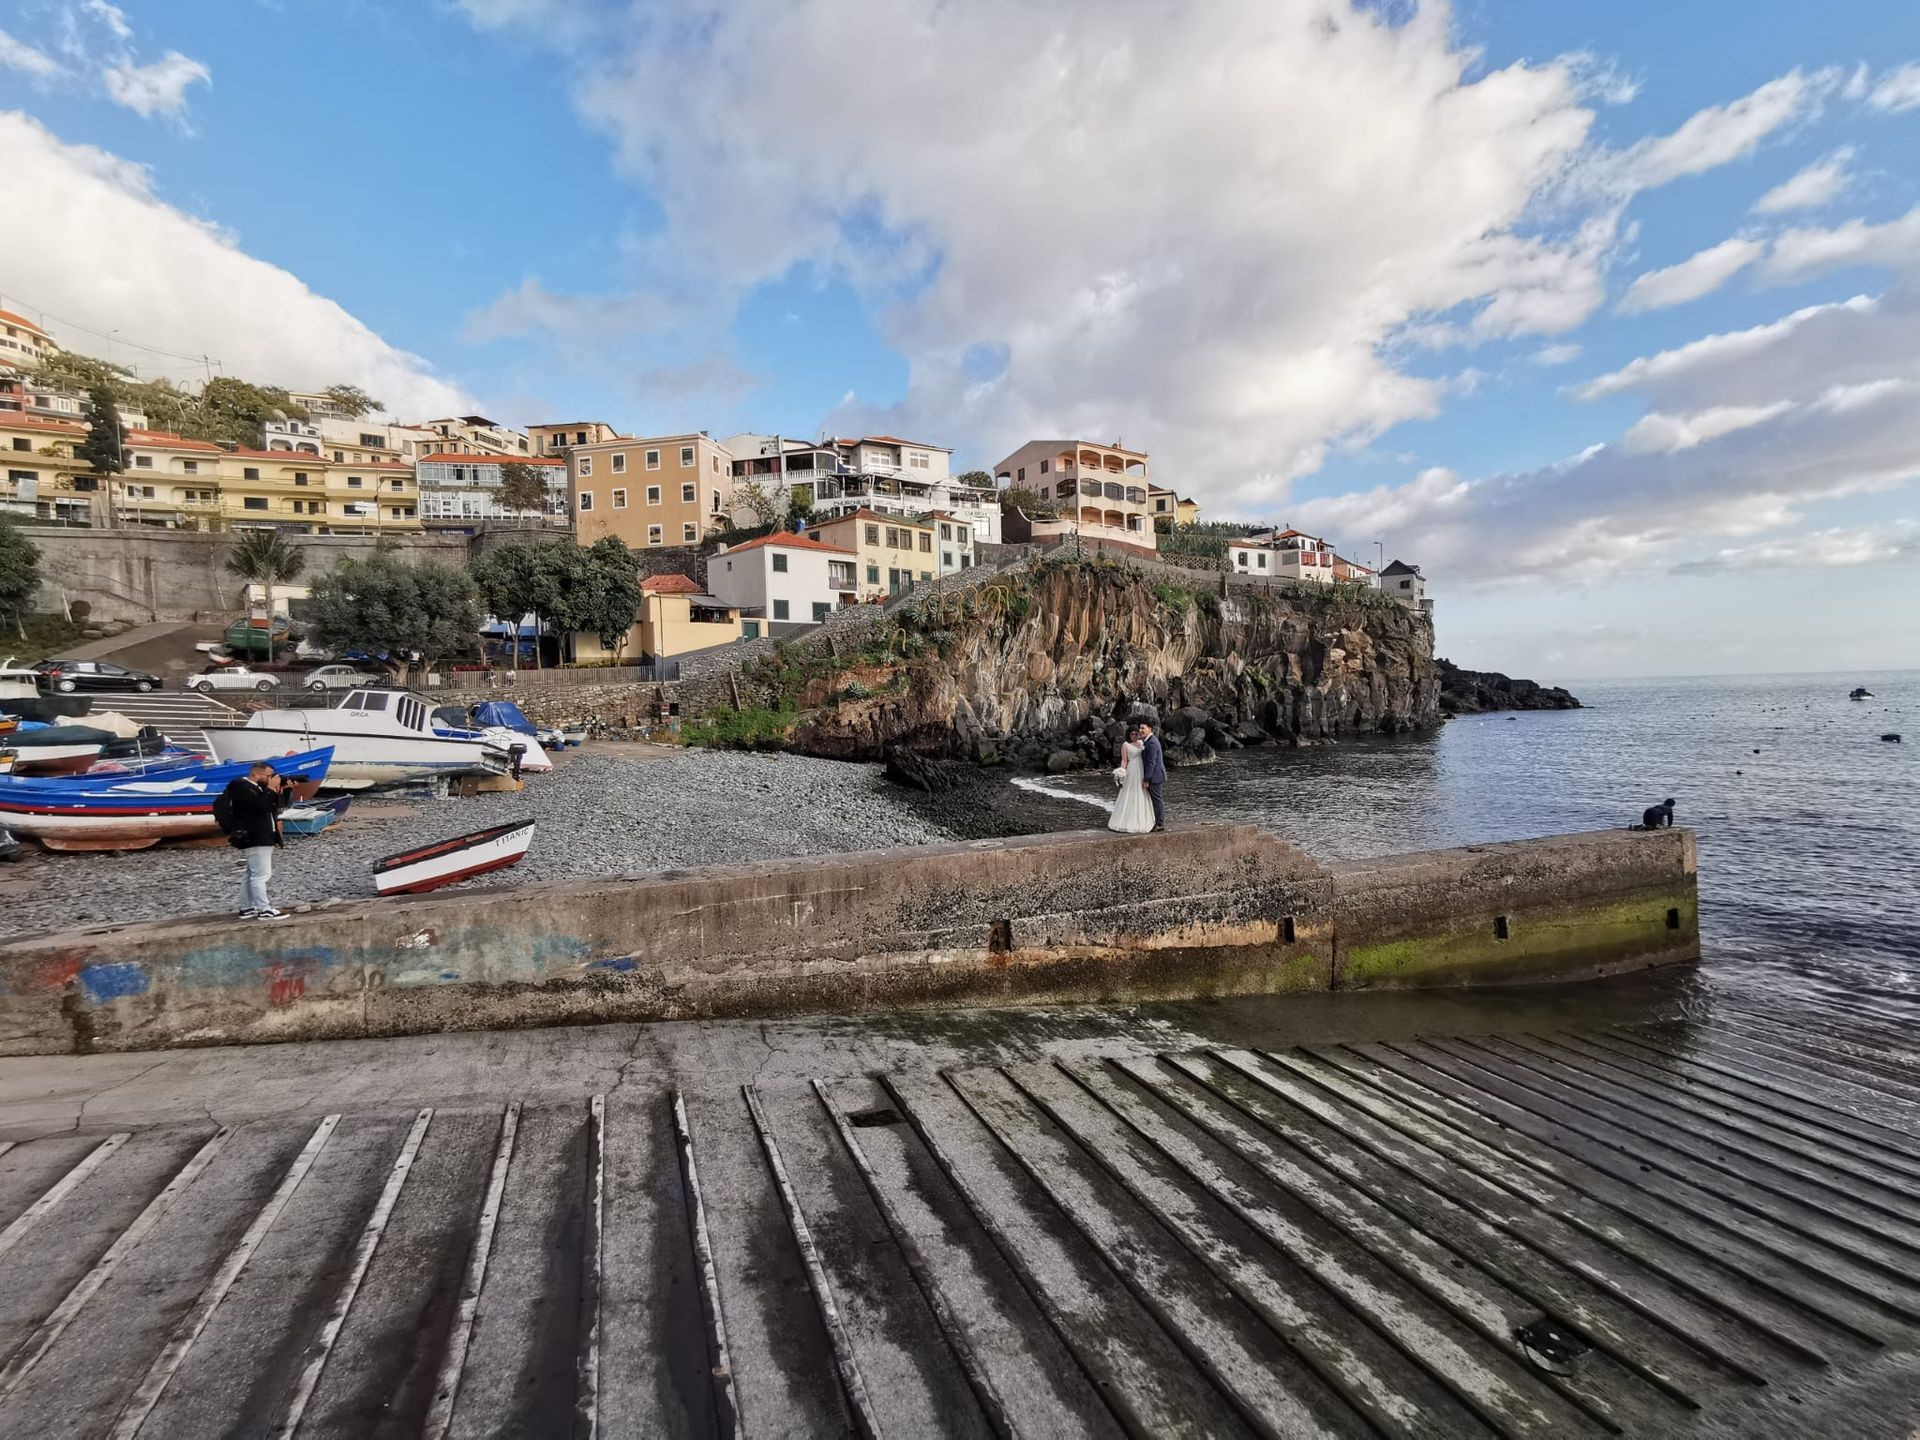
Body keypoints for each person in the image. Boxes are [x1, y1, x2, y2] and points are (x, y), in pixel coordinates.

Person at [221, 761, 288, 920]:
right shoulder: (242, 787)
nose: (270, 778)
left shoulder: (256, 789)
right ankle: (264, 909)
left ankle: (247, 908)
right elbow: (260, 807)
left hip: (259, 836)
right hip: (256, 836)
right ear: (256, 774)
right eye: (268, 776)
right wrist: (270, 788)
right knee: (261, 875)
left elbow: (273, 807)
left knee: (251, 874)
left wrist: (283, 790)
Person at [1108, 725, 1156, 834]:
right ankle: (1125, 820)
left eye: (1136, 734)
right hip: (1132, 770)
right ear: (1129, 735)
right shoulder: (1126, 745)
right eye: (1132, 734)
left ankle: (1145, 819)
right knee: (1130, 792)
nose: (1134, 736)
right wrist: (1121, 772)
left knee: (1142, 792)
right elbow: (1124, 760)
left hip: (1141, 770)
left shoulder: (1142, 743)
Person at [1139, 721, 1168, 832]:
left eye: (1143, 728)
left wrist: (1146, 779)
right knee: (1156, 800)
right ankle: (1156, 821)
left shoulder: (1151, 743)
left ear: (1150, 729)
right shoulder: (1149, 741)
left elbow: (1151, 762)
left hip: (1155, 777)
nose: (1141, 730)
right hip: (1156, 775)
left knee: (1157, 800)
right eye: (1140, 728)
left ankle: (1160, 823)